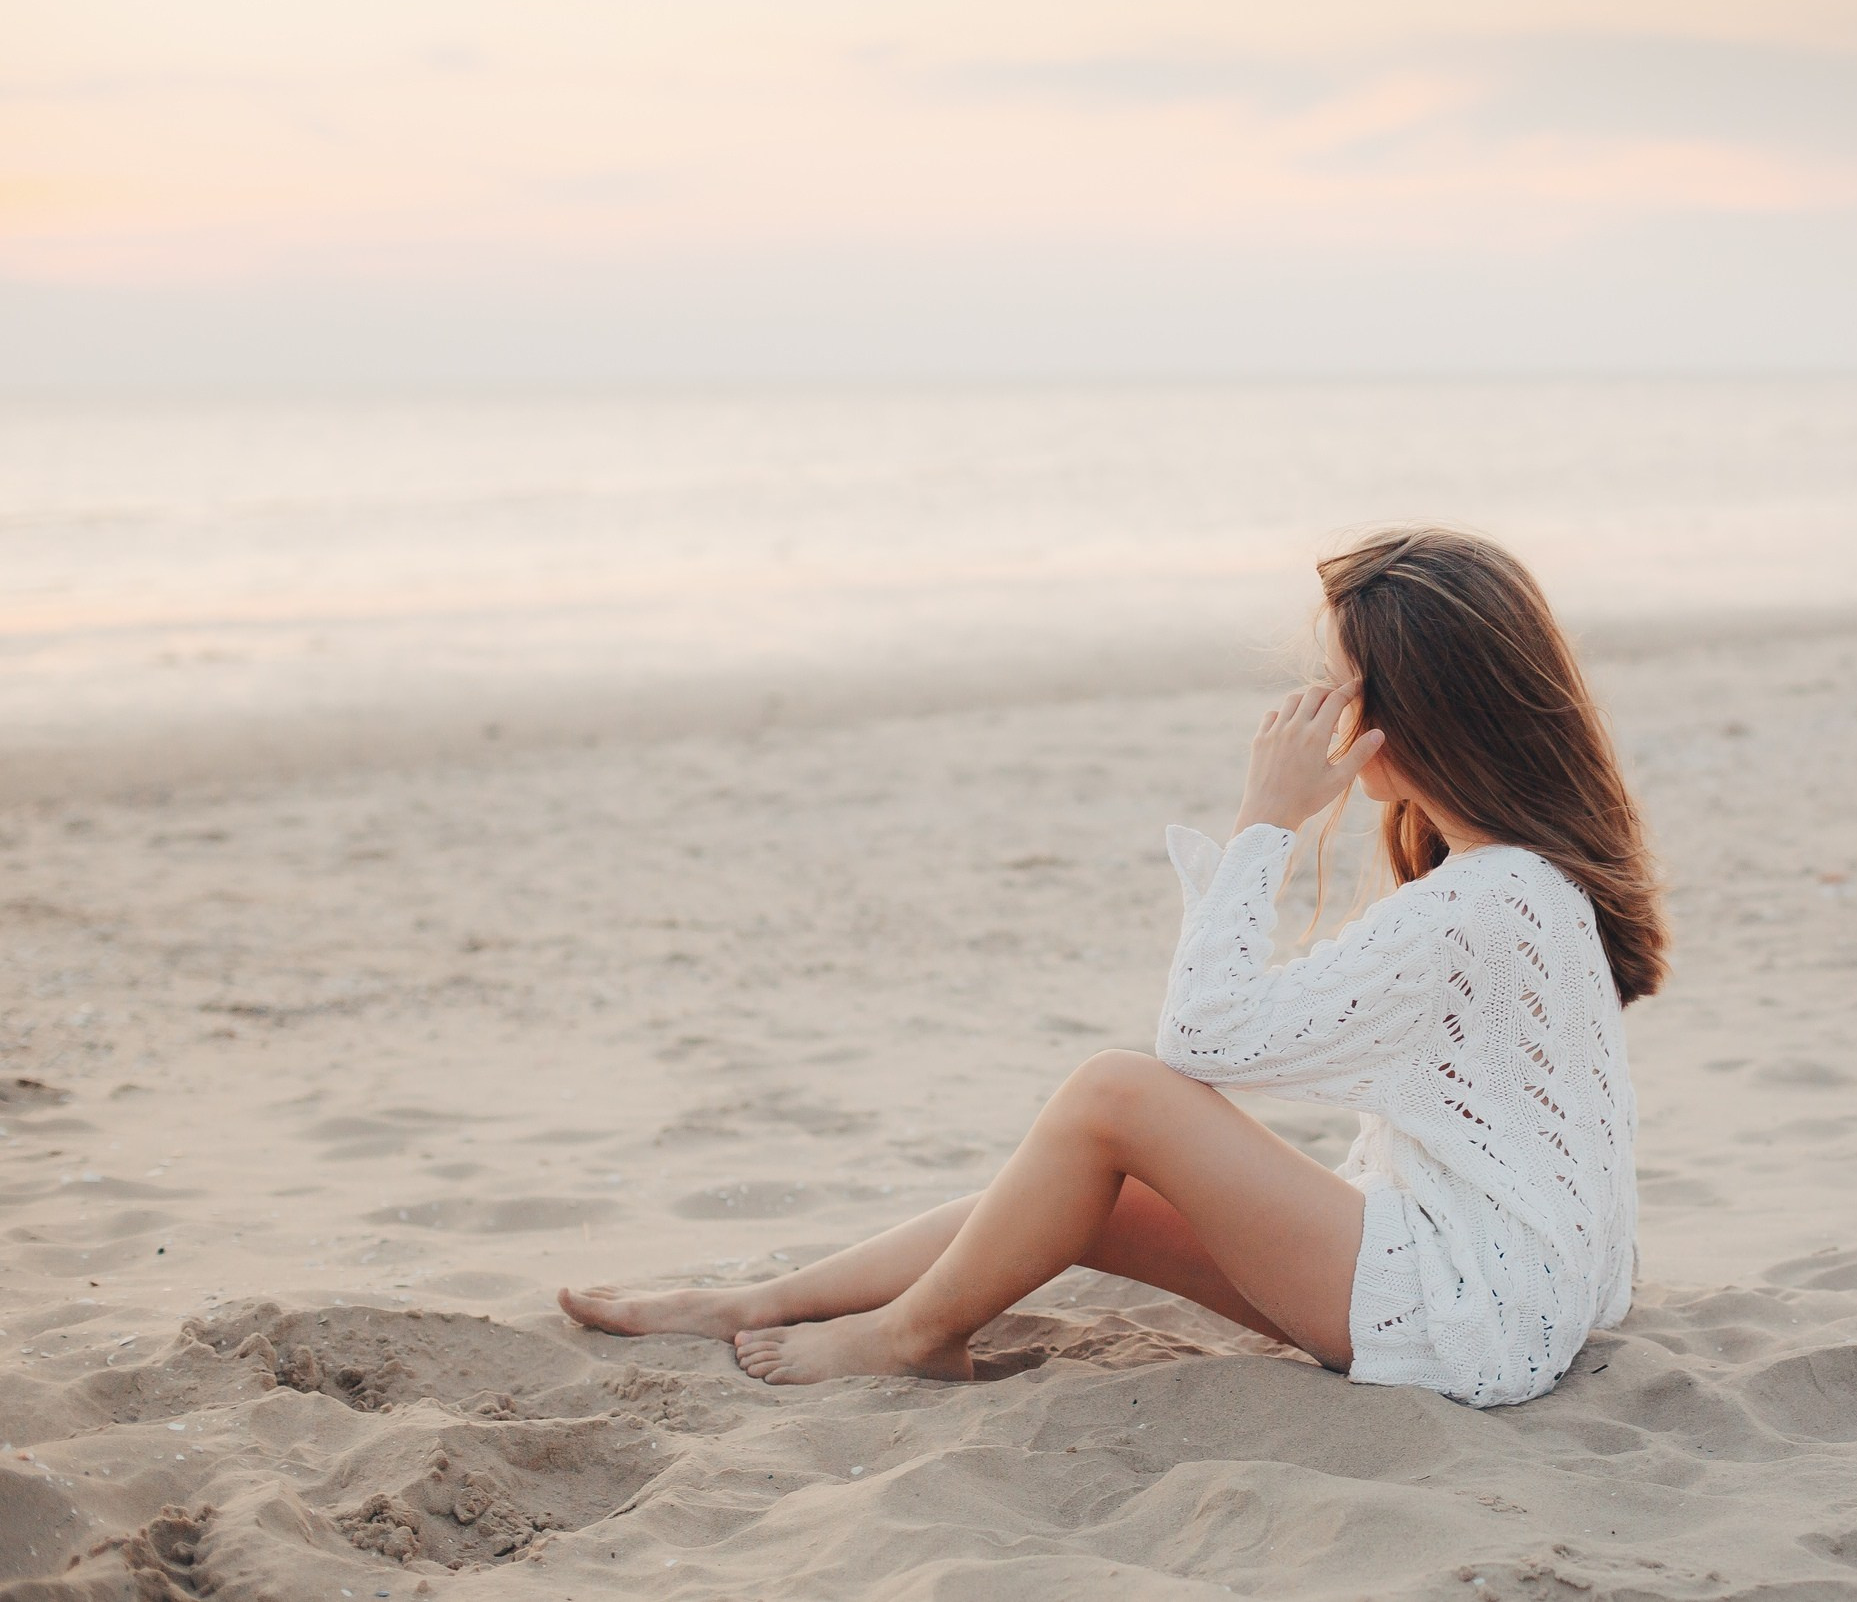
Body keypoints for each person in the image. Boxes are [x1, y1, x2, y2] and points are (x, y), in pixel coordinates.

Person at [559, 527, 1668, 1407]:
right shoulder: (1521, 882)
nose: (1319, 717)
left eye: (1339, 690)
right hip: (1497, 1298)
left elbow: (1202, 1043)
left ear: (1410, 711)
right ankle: (759, 1300)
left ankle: (909, 1333)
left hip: (1467, 1316)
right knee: (1090, 1184)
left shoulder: (1481, 905)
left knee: (1115, 1092)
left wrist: (1264, 822)